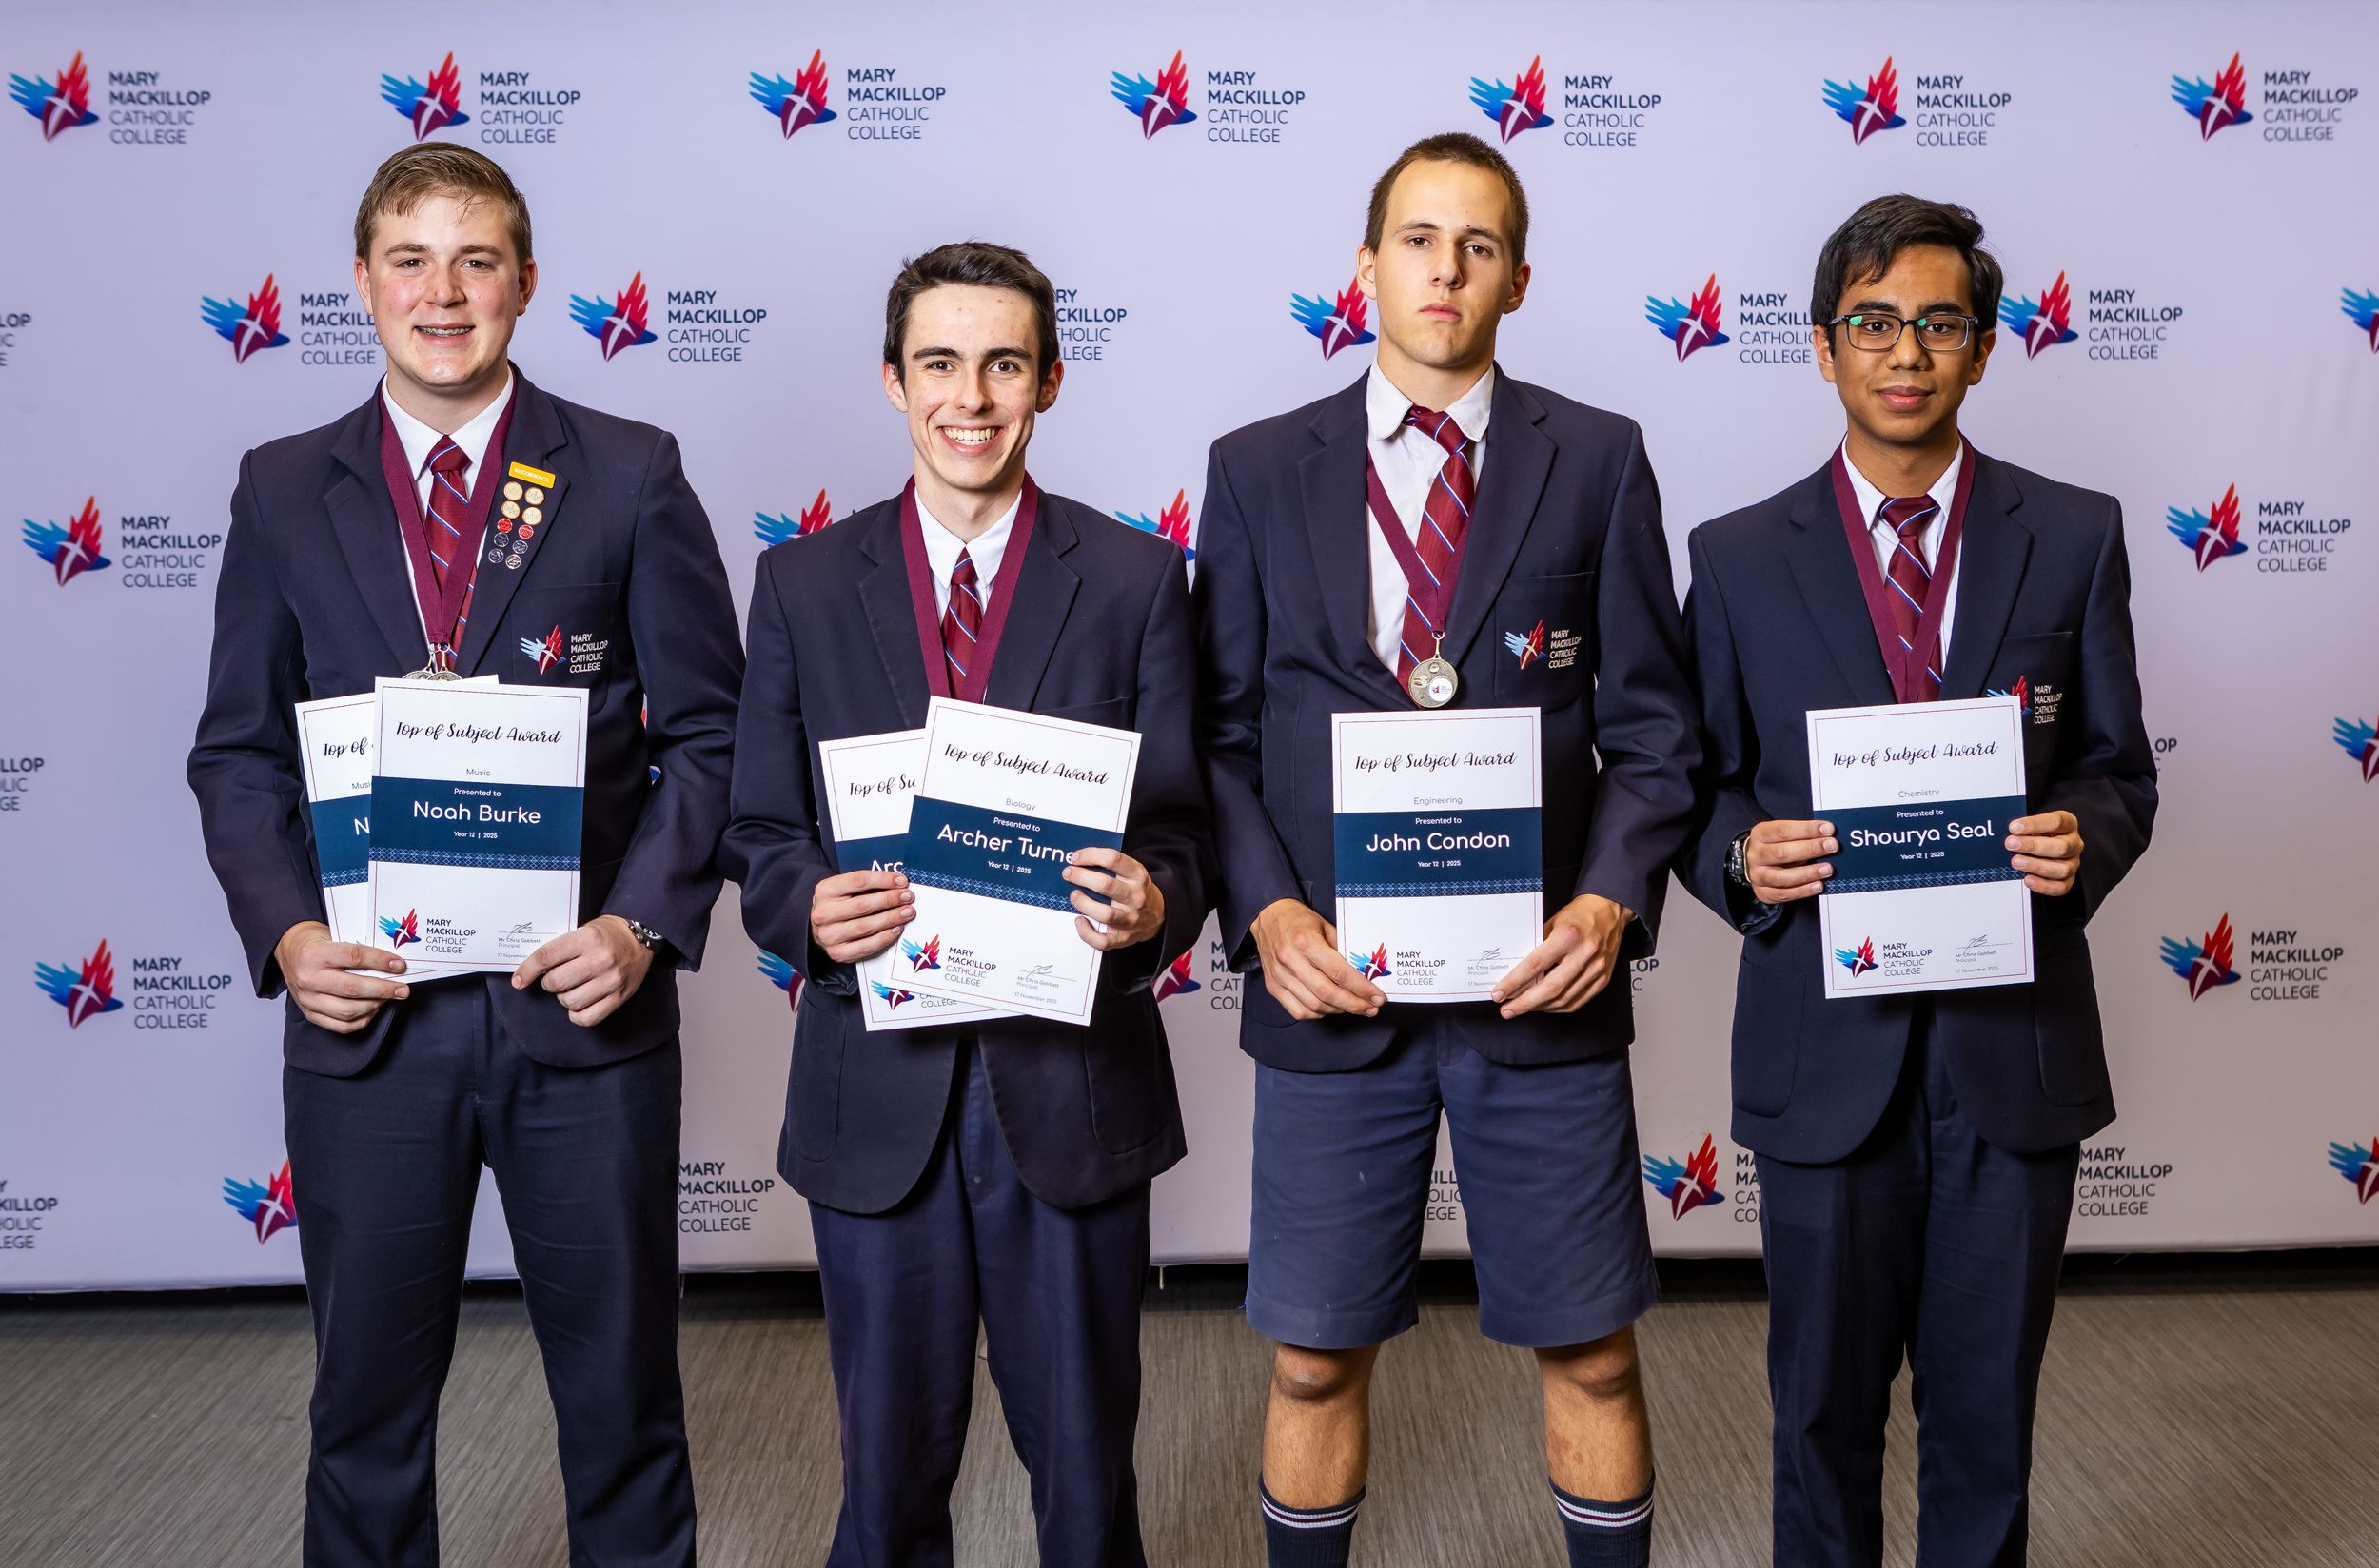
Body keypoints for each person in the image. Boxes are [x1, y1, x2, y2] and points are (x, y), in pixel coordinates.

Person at [186, 143, 742, 1567]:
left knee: (623, 1405)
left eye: (476, 261)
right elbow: (238, 753)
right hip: (369, 1023)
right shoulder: (280, 487)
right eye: (412, 261)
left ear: (527, 283)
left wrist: (638, 928)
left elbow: (711, 737)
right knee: (364, 1418)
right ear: (363, 283)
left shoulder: (629, 472)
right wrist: (290, 939)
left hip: (585, 1017)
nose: (444, 294)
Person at [1192, 132, 1699, 1568]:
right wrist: (1268, 917)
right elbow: (1217, 737)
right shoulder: (1256, 468)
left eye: (1478, 245)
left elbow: (1654, 730)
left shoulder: (1597, 457)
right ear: (1365, 266)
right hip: (1330, 990)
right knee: (1310, 1362)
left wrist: (1607, 906)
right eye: (1417, 239)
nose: (1445, 269)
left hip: (1536, 988)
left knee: (1594, 1353)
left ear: (1517, 279)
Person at [1678, 193, 2157, 1568]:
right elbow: (1692, 783)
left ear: (1985, 346)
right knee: (1819, 1418)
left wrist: (2081, 839)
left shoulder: (2073, 533)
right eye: (1874, 322)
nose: (1906, 351)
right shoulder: (1735, 555)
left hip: (2013, 1051)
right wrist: (1740, 856)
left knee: (1987, 1421)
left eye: (1939, 323)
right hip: (1826, 1054)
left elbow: (2119, 769)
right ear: (1823, 346)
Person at [724, 241, 1209, 1567]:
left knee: (1089, 1485)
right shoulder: (802, 585)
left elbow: (1182, 826)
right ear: (893, 381)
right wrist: (806, 909)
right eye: (940, 363)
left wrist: (1155, 898)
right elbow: (759, 827)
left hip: (1072, 1089)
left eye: (1004, 364)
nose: (971, 397)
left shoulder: (1134, 580)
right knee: (885, 1488)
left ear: (1049, 380)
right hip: (877, 1095)